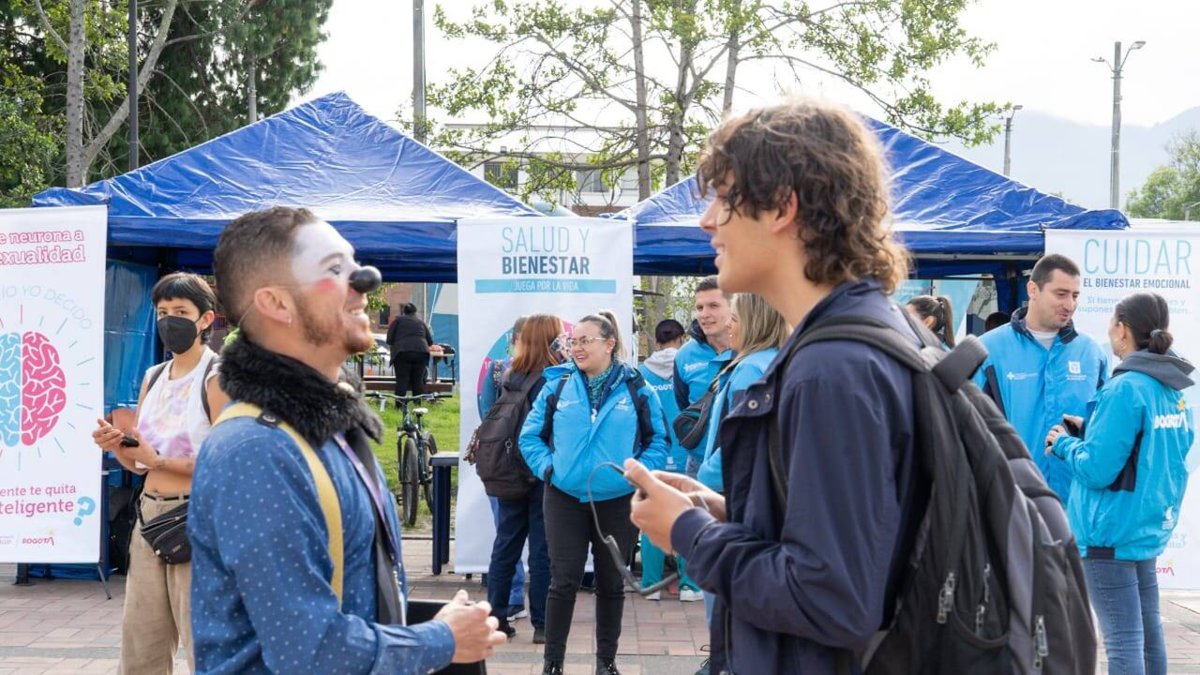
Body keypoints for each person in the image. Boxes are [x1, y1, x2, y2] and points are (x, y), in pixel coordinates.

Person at [624, 100, 922, 674]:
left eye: (724, 198)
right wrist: (727, 510)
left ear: (783, 207)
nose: (707, 220)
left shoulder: (834, 367)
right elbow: (858, 535)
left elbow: (832, 599)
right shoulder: (864, 337)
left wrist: (688, 532)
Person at [190, 206, 505, 673]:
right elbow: (309, 652)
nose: (366, 280)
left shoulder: (328, 428)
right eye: (335, 270)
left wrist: (427, 626)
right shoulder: (256, 450)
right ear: (276, 303)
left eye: (353, 264)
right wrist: (441, 640)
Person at [1045, 292, 1194, 675]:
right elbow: (1151, 451)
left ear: (1122, 329)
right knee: (1148, 637)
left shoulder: (1125, 388)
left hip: (1107, 535)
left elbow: (1097, 469)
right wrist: (1091, 430)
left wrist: (1063, 443)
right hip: (1143, 527)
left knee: (1123, 644)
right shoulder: (1171, 389)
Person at [91, 272, 228, 675]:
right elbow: (138, 462)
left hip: (197, 520)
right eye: (163, 312)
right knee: (142, 645)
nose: (170, 321)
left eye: (181, 312)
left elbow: (226, 462)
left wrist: (159, 461)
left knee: (204, 642)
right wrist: (118, 446)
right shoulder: (153, 376)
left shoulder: (217, 376)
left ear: (205, 319)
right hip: (149, 518)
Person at [519, 311, 670, 675]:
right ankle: (552, 663)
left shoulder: (637, 388)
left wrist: (635, 475)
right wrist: (549, 469)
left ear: (609, 344)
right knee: (563, 580)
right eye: (574, 341)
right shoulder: (556, 385)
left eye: (586, 340)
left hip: (617, 501)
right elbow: (530, 437)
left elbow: (658, 440)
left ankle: (607, 663)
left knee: (611, 582)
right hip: (564, 497)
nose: (577, 347)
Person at [974, 254, 1109, 500]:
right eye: (1060, 294)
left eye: (1075, 295)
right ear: (1033, 289)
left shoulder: (1092, 354)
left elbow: (1105, 431)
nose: (1069, 304)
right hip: (1012, 501)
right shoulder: (988, 351)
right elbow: (967, 430)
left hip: (1078, 503)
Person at [486, 314, 562, 644]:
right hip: (540, 471)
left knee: (506, 545)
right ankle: (543, 624)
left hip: (508, 471)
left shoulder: (510, 374)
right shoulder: (554, 378)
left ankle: (497, 618)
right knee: (542, 549)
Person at [636, 318, 701, 602]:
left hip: (654, 453)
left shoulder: (640, 373)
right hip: (687, 451)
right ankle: (689, 585)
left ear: (656, 340)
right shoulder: (689, 366)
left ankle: (651, 584)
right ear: (682, 338)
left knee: (651, 518)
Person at [479, 316, 530, 622]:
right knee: (508, 535)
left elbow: (488, 413)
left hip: (512, 464)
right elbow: (488, 415)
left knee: (509, 536)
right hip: (506, 464)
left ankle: (517, 600)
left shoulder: (549, 372)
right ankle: (513, 599)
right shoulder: (499, 370)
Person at [673, 276, 734, 477]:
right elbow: (684, 404)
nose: (704, 315)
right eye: (699, 308)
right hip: (698, 463)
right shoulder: (684, 355)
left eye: (713, 306)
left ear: (733, 306)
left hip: (741, 459)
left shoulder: (750, 349)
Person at [387, 302, 434, 396]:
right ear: (415, 312)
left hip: (402, 352)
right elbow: (430, 342)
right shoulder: (421, 322)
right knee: (418, 381)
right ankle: (418, 406)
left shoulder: (398, 321)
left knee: (402, 380)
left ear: (404, 312)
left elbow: (389, 340)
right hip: (421, 353)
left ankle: (400, 405)